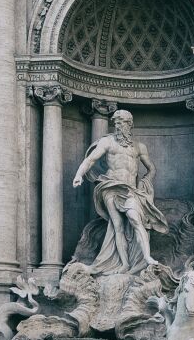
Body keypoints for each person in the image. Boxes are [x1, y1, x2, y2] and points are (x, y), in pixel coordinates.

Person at [71, 109, 169, 275]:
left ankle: (146, 258)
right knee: (117, 226)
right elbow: (91, 159)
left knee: (135, 219)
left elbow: (151, 168)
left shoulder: (139, 147)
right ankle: (124, 264)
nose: (117, 126)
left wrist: (147, 180)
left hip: (130, 190)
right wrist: (79, 175)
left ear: (129, 124)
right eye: (115, 123)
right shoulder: (108, 142)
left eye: (121, 122)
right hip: (111, 187)